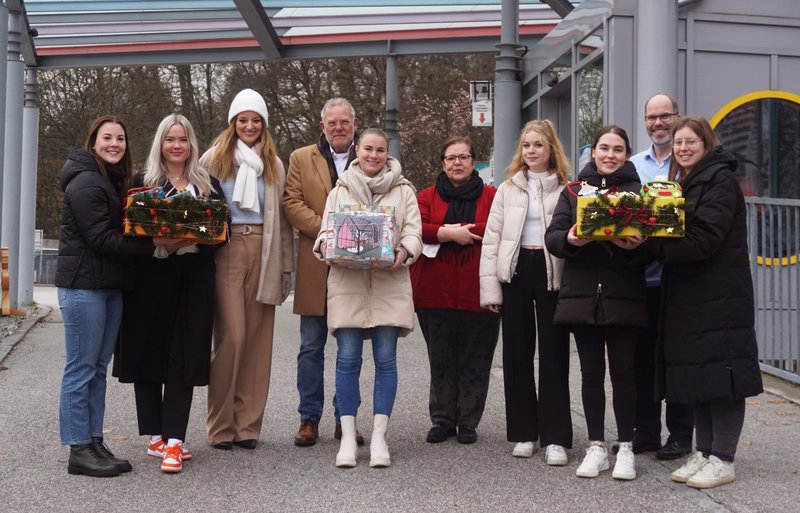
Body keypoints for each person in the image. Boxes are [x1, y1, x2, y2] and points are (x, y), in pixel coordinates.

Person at [649, 116, 763, 489]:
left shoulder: (720, 182)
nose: (682, 148)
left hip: (720, 296)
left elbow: (703, 240)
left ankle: (723, 458)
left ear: (706, 144)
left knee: (723, 375)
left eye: (690, 142)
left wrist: (654, 243)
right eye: (678, 143)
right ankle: (704, 450)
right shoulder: (685, 182)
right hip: (692, 295)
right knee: (699, 374)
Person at [55, 115, 169, 477]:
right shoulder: (87, 183)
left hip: (107, 286)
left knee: (97, 370)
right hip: (83, 287)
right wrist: (153, 243)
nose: (115, 144)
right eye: (107, 138)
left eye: (120, 138)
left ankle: (94, 440)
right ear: (94, 143)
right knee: (81, 369)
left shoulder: (110, 180)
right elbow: (101, 239)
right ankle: (78, 448)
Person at [113, 114, 224, 473]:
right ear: (160, 143)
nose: (177, 146)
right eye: (169, 139)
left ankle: (175, 440)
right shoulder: (139, 183)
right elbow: (126, 230)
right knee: (147, 353)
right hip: (149, 278)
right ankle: (156, 436)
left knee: (184, 355)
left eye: (183, 139)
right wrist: (157, 242)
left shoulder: (208, 185)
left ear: (192, 144)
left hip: (193, 278)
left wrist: (190, 239)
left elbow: (224, 231)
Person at [313, 128, 422, 468]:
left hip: (390, 286)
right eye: (368, 149)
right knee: (347, 360)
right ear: (357, 150)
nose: (374, 155)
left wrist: (404, 250)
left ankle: (379, 437)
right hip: (349, 286)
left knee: (386, 360)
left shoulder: (404, 191)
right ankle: (347, 436)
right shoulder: (340, 190)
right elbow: (325, 232)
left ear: (387, 153)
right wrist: (326, 247)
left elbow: (414, 232)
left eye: (380, 150)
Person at [544, 125, 648, 481]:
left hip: (625, 296)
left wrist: (637, 247)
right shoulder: (573, 191)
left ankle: (627, 447)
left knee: (624, 374)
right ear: (593, 152)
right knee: (591, 374)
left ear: (627, 154)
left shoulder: (638, 192)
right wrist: (573, 238)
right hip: (582, 296)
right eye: (604, 148)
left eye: (618, 149)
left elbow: (653, 245)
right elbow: (553, 237)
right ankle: (596, 446)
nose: (610, 155)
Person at [202, 89, 294, 450]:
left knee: (258, 342)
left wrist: (287, 266)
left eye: (256, 120)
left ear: (264, 124)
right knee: (232, 338)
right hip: (226, 250)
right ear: (233, 123)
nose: (250, 125)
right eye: (243, 119)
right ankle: (220, 425)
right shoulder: (213, 158)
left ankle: (247, 426)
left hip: (265, 249)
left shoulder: (274, 163)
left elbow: (285, 221)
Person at [479, 120, 573, 464]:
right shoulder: (508, 188)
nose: (531, 151)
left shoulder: (566, 189)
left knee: (554, 354)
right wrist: (491, 290)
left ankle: (556, 437)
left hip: (552, 273)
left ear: (551, 150)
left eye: (538, 145)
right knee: (517, 354)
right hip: (516, 271)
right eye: (526, 145)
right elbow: (492, 240)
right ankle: (523, 432)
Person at [282, 98, 364, 447]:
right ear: (322, 127)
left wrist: (349, 237)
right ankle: (308, 418)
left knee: (350, 348)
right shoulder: (301, 157)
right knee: (311, 347)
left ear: (355, 123)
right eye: (332, 123)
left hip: (355, 268)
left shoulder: (371, 155)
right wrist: (330, 233)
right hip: (316, 262)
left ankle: (345, 419)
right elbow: (291, 203)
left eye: (344, 121)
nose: (338, 127)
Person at [412, 137, 499, 445]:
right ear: (443, 163)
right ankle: (442, 419)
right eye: (451, 158)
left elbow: (497, 226)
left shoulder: (492, 195)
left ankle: (468, 421)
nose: (457, 163)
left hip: (480, 291)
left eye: (463, 157)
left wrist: (455, 232)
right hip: (435, 292)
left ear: (474, 162)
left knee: (476, 357)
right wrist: (448, 233)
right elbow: (414, 228)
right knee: (441, 357)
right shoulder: (425, 196)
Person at [628, 93, 694, 460]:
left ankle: (681, 435)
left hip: (681, 279)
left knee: (678, 358)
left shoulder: (690, 163)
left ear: (677, 117)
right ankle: (646, 431)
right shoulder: (634, 165)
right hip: (643, 279)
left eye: (664, 116)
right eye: (651, 118)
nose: (658, 124)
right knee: (642, 359)